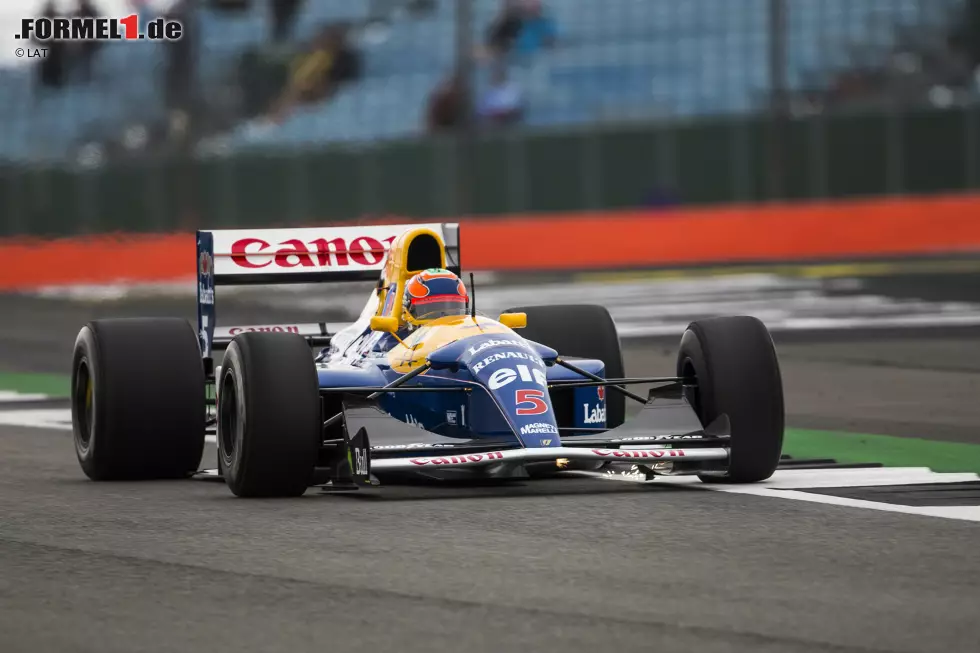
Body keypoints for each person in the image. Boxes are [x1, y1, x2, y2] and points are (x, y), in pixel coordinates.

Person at [267, 22, 362, 123]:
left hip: (323, 92)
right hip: (309, 92)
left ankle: (280, 114)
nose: (317, 41)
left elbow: (324, 84)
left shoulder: (332, 59)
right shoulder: (310, 58)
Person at [401, 269, 470, 326]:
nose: (442, 322)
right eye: (431, 309)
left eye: (453, 309)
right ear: (406, 311)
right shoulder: (397, 341)